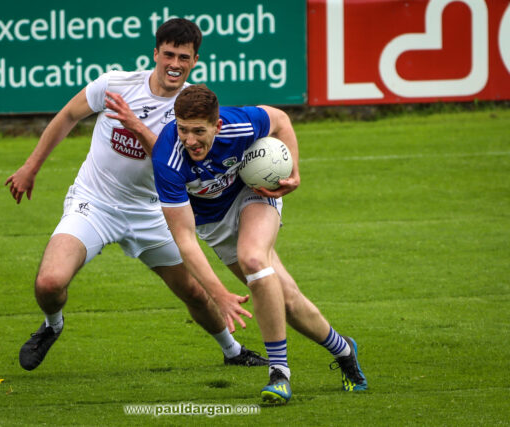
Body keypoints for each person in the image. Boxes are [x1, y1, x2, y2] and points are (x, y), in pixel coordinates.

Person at [5, 19, 267, 372]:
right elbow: (68, 115)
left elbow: (174, 161)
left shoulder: (191, 106)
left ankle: (233, 351)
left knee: (191, 291)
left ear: (195, 60)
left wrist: (137, 125)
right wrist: (30, 167)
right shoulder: (116, 85)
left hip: (153, 211)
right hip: (93, 204)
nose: (175, 63)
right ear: (155, 53)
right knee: (49, 283)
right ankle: (53, 326)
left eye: (184, 57)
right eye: (169, 54)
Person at [151, 84, 368, 405]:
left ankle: (279, 374)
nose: (190, 140)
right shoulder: (167, 158)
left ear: (218, 125)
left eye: (199, 131)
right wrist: (219, 294)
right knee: (288, 299)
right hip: (213, 224)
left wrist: (294, 171)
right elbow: (185, 239)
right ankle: (345, 350)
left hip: (252, 193)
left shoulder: (239, 123)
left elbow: (280, 120)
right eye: (183, 130)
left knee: (253, 259)